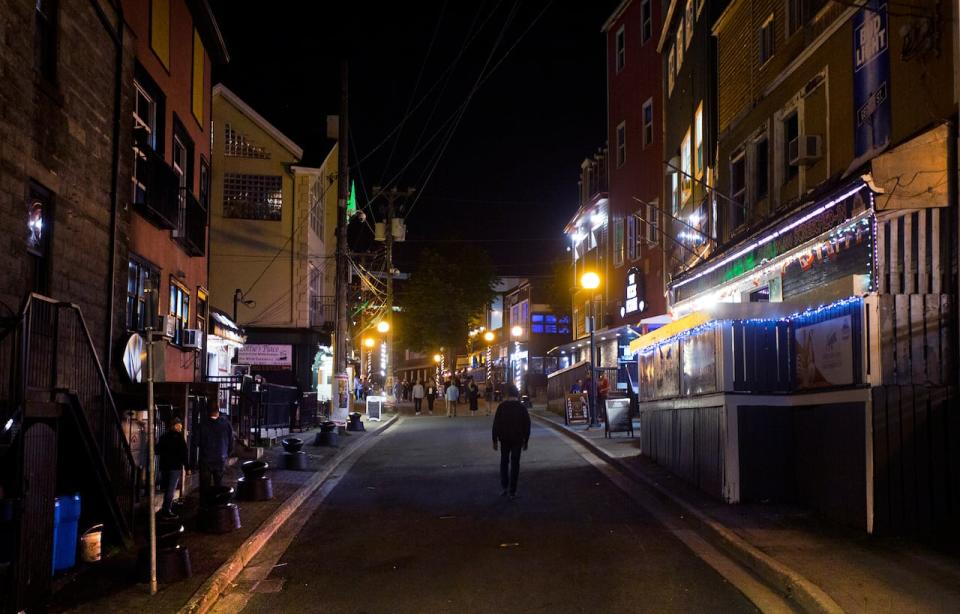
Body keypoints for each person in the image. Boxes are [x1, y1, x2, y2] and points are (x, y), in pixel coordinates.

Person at [492, 384, 530, 500]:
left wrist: (495, 440)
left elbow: (496, 424)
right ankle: (512, 490)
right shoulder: (521, 407)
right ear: (517, 394)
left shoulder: (502, 407)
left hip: (504, 439)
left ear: (507, 394)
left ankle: (504, 486)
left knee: (504, 462)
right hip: (517, 439)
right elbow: (527, 425)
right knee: (515, 463)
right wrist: (526, 440)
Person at [196, 405, 234, 498]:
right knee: (218, 484)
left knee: (205, 486)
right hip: (221, 458)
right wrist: (227, 454)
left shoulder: (202, 424)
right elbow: (231, 441)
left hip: (206, 459)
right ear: (218, 411)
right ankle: (217, 507)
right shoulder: (226, 424)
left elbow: (196, 442)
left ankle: (204, 506)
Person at [156, 417, 187, 519]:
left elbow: (157, 450)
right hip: (175, 467)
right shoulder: (179, 438)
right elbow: (184, 453)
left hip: (165, 466)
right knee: (171, 489)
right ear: (175, 426)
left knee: (167, 487)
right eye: (179, 425)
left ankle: (166, 508)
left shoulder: (163, 437)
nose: (181, 427)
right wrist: (187, 466)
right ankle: (166, 510)